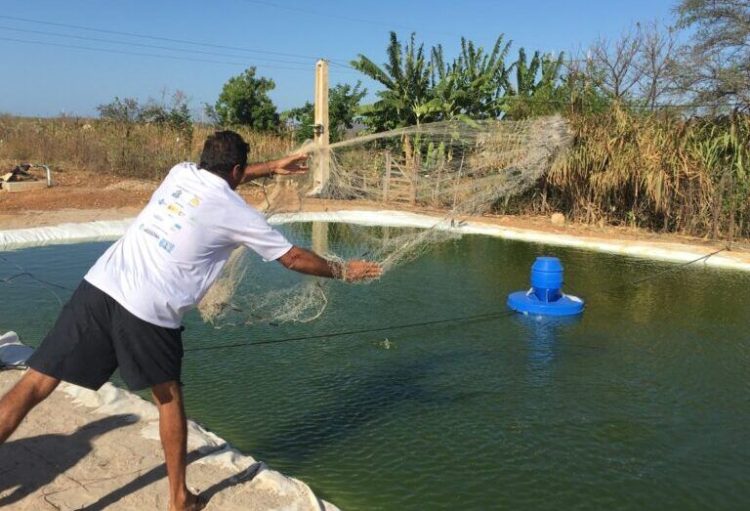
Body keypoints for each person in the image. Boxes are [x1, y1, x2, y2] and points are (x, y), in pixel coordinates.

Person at [0, 130, 382, 511]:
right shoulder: (236, 213)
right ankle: (179, 498)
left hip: (100, 285)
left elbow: (225, 176)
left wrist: (271, 168)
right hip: (149, 310)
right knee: (168, 399)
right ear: (236, 168)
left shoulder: (180, 172)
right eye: (242, 171)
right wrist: (343, 269)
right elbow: (293, 258)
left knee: (36, 381)